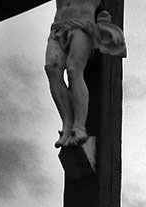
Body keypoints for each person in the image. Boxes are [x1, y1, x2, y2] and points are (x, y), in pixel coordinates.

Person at [45, 0, 126, 148]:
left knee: (73, 70)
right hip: (58, 27)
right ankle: (67, 124)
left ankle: (79, 127)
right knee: (52, 69)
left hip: (82, 25)